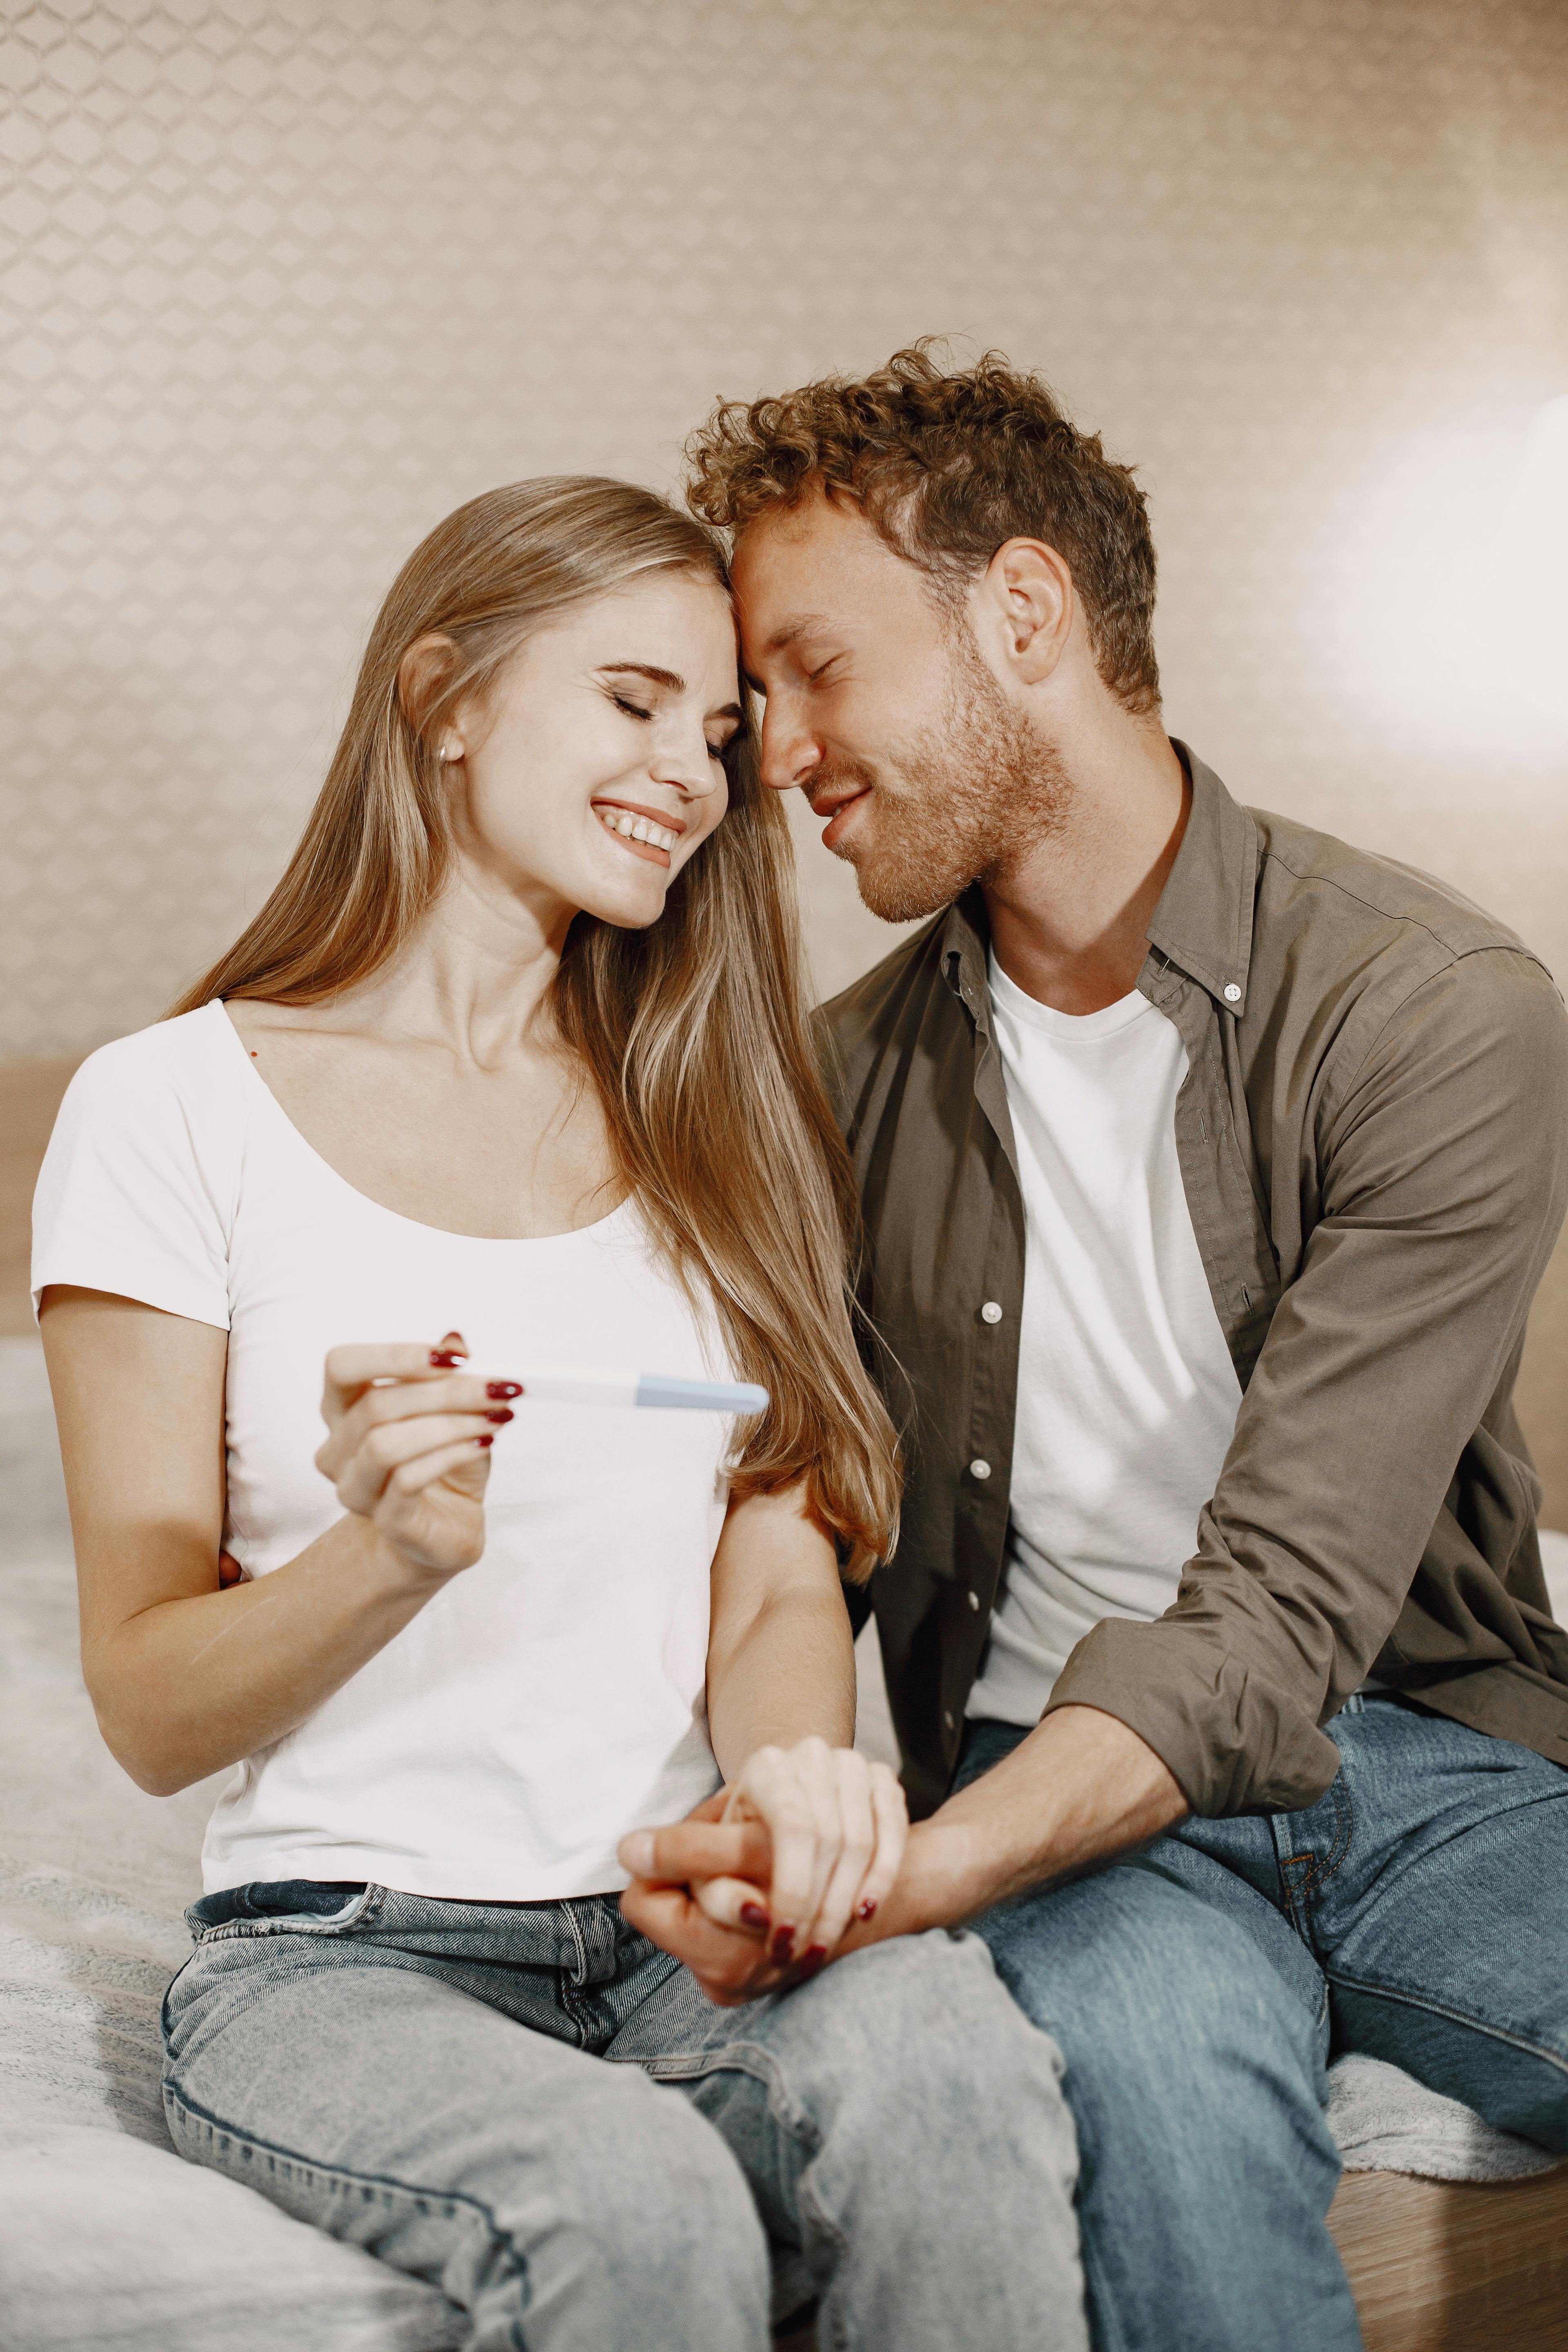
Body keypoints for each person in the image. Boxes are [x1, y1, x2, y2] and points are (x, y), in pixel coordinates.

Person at [33, 476, 1087, 2352]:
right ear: (444, 697)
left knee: (957, 2059)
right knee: (637, 2194)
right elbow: (144, 1707)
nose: (691, 770)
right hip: (343, 1958)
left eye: (717, 730)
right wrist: (387, 1556)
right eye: (630, 701)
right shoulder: (167, 1107)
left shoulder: (720, 1106)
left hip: (674, 1914)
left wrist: (780, 1786)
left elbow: (773, 1574)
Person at [621, 350, 1568, 2352]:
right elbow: (791, 1499)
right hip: (1072, 1806)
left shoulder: (1433, 1008)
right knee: (1169, 2142)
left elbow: (1285, 1609)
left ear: (1025, 615)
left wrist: (929, 1872)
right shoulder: (837, 1083)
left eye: (809, 671)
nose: (767, 758)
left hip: (1428, 1754)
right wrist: (822, 1814)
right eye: (749, 704)